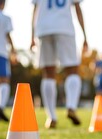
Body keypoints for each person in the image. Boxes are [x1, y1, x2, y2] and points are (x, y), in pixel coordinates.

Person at [31, 0, 87, 129]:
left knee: (48, 74)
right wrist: (85, 36)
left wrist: (32, 36)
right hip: (64, 27)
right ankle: (71, 106)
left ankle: (51, 117)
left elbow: (35, 11)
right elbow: (77, 8)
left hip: (43, 29)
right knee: (72, 70)